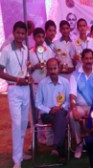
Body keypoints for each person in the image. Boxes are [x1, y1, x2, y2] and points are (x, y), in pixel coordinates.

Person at [0, 21, 32, 168]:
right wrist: (17, 79)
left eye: (23, 33)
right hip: (13, 89)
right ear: (13, 33)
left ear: (26, 35)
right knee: (17, 123)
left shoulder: (26, 49)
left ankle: (20, 152)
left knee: (24, 123)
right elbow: (0, 72)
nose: (20, 35)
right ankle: (16, 160)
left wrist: (27, 77)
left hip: (25, 89)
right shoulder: (6, 50)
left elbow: (25, 68)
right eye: (18, 32)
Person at [35, 58, 70, 162]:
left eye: (54, 68)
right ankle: (59, 149)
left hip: (61, 111)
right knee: (61, 119)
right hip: (47, 115)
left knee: (60, 116)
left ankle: (56, 147)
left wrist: (61, 107)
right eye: (50, 69)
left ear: (58, 68)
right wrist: (49, 110)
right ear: (47, 69)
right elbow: (37, 103)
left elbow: (68, 101)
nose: (53, 71)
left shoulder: (65, 82)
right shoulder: (42, 83)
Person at [69, 49, 93, 159]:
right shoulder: (75, 75)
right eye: (86, 58)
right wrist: (73, 109)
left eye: (90, 58)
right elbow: (72, 95)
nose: (88, 61)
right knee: (72, 116)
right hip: (80, 107)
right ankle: (79, 144)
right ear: (82, 60)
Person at [30, 28, 54, 93]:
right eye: (38, 37)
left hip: (47, 84)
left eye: (43, 37)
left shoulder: (48, 50)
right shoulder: (30, 52)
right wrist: (35, 67)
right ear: (34, 37)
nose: (41, 39)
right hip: (35, 85)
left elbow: (52, 67)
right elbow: (27, 71)